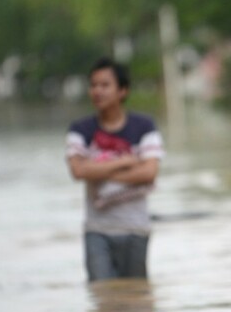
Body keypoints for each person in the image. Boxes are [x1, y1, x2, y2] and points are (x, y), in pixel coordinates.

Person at [66, 57, 164, 281]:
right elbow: (78, 171)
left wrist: (96, 168)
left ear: (122, 90)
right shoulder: (81, 129)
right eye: (93, 85)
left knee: (134, 299)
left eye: (105, 85)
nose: (97, 91)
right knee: (102, 298)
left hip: (135, 229)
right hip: (97, 230)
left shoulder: (144, 126)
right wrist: (124, 162)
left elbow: (149, 172)